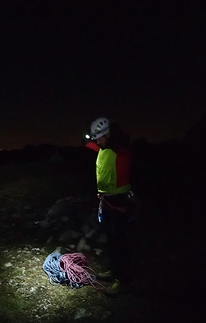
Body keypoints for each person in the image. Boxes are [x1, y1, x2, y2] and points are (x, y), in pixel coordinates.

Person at [83, 117, 135, 296]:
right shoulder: (103, 148)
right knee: (112, 241)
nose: (97, 142)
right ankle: (115, 273)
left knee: (120, 244)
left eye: (100, 138)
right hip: (106, 201)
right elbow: (92, 146)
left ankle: (124, 281)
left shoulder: (121, 150)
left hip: (120, 203)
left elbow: (121, 142)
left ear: (109, 135)